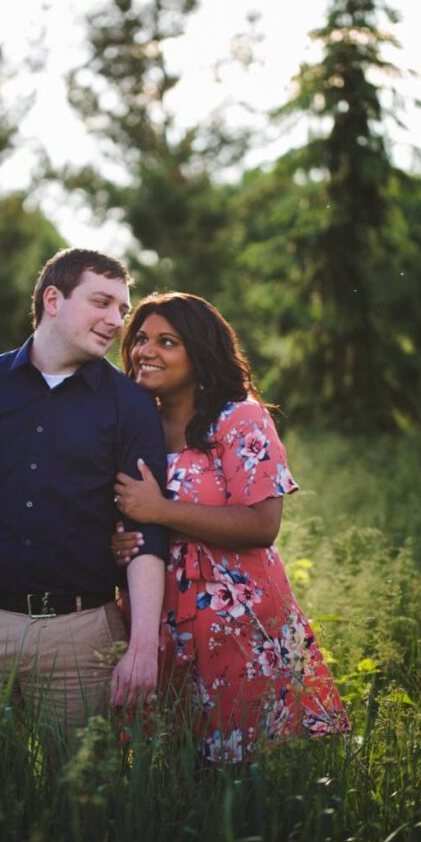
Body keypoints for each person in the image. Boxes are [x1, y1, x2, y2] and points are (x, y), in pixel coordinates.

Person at [0, 248, 168, 735]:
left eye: (121, 308)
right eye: (101, 302)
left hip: (83, 635)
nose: (115, 320)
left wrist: (142, 643)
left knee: (80, 799)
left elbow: (147, 527)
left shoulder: (132, 405)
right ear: (53, 300)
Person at [111, 293, 349, 762]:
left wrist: (159, 511)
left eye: (166, 341)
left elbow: (262, 525)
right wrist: (118, 543)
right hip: (155, 616)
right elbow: (121, 510)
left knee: (244, 766)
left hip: (236, 617)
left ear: (199, 351)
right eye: (140, 339)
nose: (146, 351)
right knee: (167, 762)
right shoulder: (136, 425)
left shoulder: (240, 418)